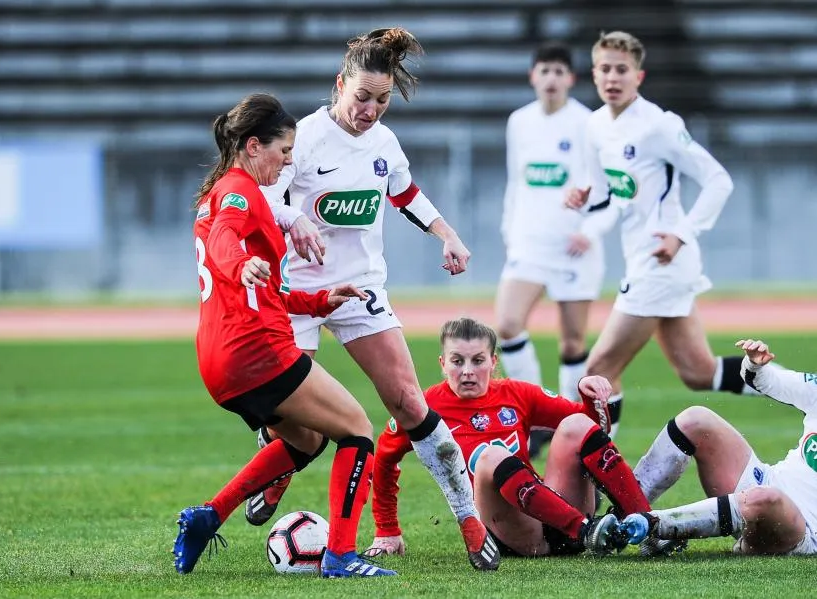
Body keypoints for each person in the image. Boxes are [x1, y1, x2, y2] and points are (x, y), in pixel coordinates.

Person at [249, 27, 499, 571]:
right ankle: (276, 469)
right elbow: (263, 195)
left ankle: (469, 519)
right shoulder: (306, 138)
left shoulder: (384, 143)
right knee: (293, 419)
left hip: (360, 287)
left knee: (410, 402)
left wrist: (448, 235)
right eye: (362, 96)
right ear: (340, 85)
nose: (370, 110)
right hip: (296, 291)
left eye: (382, 100)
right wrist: (295, 223)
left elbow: (404, 192)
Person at [172, 93, 396, 578]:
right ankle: (341, 556)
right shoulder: (239, 192)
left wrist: (319, 302)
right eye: (284, 151)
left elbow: (263, 285)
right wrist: (240, 262)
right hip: (257, 352)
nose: (290, 161)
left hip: (220, 362)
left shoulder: (223, 193)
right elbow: (223, 241)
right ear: (254, 146)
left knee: (309, 439)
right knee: (358, 430)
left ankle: (208, 517)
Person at [564, 30, 750, 439]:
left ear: (639, 76)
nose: (613, 78)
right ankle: (801, 388)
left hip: (662, 261)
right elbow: (606, 193)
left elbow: (719, 180)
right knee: (697, 372)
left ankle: (596, 480)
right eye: (605, 69)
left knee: (598, 373)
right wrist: (583, 194)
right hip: (644, 259)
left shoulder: (659, 126)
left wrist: (680, 234)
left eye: (622, 70)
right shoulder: (594, 126)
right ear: (593, 74)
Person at [366, 317, 654, 559]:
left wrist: (589, 396)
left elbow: (589, 429)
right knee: (491, 456)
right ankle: (587, 530)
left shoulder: (517, 392)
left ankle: (648, 525)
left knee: (574, 424)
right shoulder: (424, 407)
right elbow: (385, 458)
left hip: (553, 511)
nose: (467, 371)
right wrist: (387, 529)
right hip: (511, 532)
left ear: (493, 362)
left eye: (477, 360)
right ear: (443, 363)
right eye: (457, 361)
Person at [494, 41, 606, 459]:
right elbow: (515, 180)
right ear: (533, 76)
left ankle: (570, 423)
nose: (552, 79)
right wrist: (510, 230)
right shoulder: (519, 122)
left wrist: (590, 229)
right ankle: (537, 415)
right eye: (545, 70)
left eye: (560, 72)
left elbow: (606, 183)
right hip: (529, 243)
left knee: (573, 342)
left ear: (571, 79)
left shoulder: (588, 123)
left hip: (574, 246)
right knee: (507, 323)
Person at [627, 338, 817, 556]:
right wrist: (755, 365)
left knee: (766, 499)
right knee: (696, 420)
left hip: (802, 530)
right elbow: (767, 381)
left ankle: (650, 526)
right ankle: (624, 511)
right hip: (766, 483)